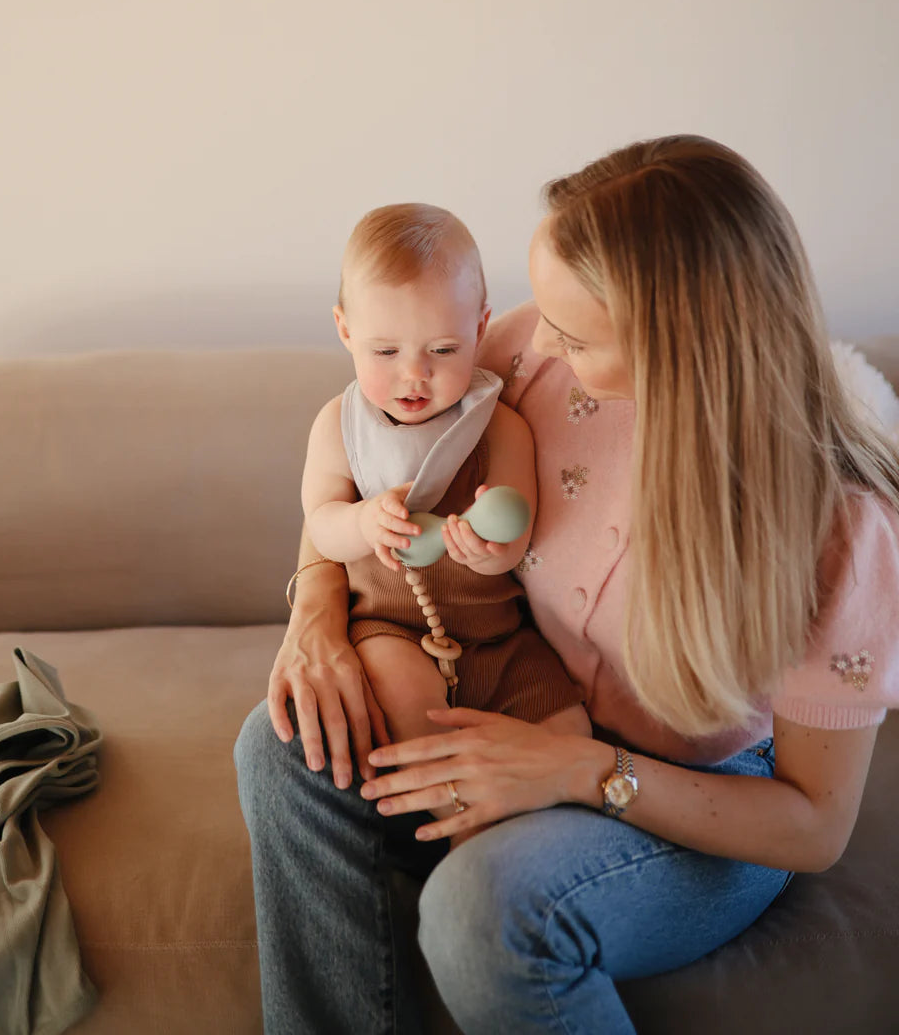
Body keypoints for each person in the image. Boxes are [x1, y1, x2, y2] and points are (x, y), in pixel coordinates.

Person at [235, 135, 899, 1034]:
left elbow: (813, 825)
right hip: (521, 708)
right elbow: (366, 467)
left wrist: (583, 771)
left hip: (707, 804)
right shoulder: (526, 359)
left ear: (680, 347)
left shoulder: (838, 529)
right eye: (541, 312)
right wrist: (314, 610)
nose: (532, 340)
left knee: (485, 907)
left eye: (574, 333)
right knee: (283, 742)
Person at [300, 203, 589, 795]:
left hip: (501, 639)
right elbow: (322, 525)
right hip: (389, 629)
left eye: (444, 350)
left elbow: (515, 534)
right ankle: (455, 819)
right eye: (385, 352)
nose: (415, 375)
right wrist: (362, 521)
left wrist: (489, 551)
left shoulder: (501, 426)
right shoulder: (339, 426)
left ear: (480, 330)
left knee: (570, 729)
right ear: (345, 328)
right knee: (413, 712)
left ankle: (545, 822)